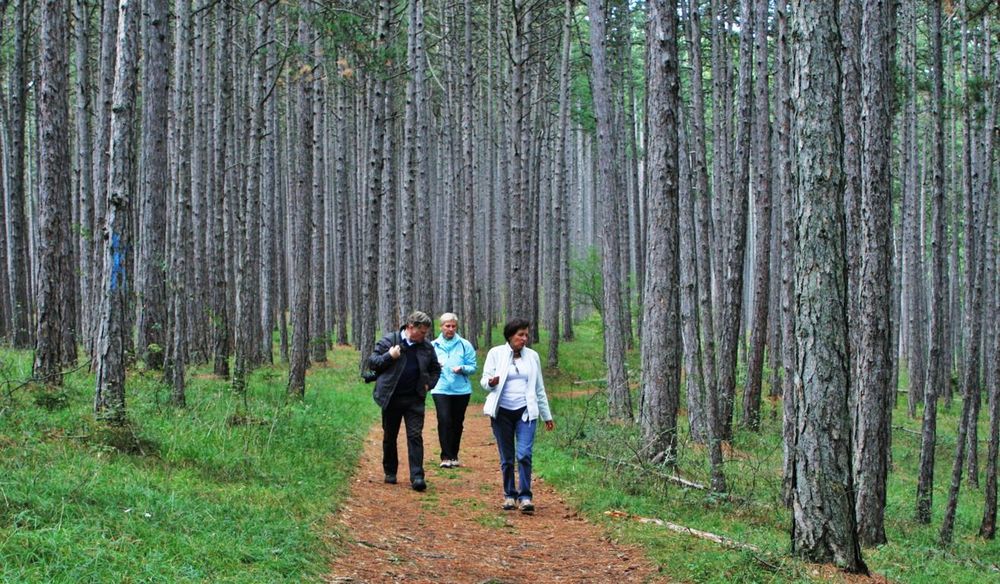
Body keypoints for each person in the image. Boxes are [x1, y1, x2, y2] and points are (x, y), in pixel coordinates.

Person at [481, 318, 555, 514]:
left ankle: (525, 497)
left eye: (526, 335)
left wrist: (546, 416)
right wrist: (491, 382)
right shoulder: (496, 353)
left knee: (524, 454)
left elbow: (539, 388)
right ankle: (509, 495)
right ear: (510, 335)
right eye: (520, 335)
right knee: (507, 457)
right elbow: (484, 381)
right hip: (502, 412)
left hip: (525, 412)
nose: (524, 339)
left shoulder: (532, 357)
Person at [368, 311, 442, 492]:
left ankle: (417, 476)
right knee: (390, 436)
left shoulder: (426, 347)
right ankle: (390, 472)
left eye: (426, 332)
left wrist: (429, 384)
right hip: (391, 398)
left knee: (415, 436)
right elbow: (373, 362)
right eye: (422, 332)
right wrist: (389, 356)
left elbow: (435, 369)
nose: (425, 336)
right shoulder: (389, 341)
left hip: (414, 399)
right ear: (410, 327)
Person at [431, 313, 478, 468]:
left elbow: (473, 367)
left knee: (457, 422)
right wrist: (436, 367)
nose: (450, 329)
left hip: (461, 390)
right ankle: (445, 457)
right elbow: (426, 367)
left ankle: (454, 455)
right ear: (441, 327)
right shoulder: (433, 346)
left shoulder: (465, 345)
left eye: (453, 326)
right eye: (447, 326)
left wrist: (463, 368)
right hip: (440, 388)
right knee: (444, 420)